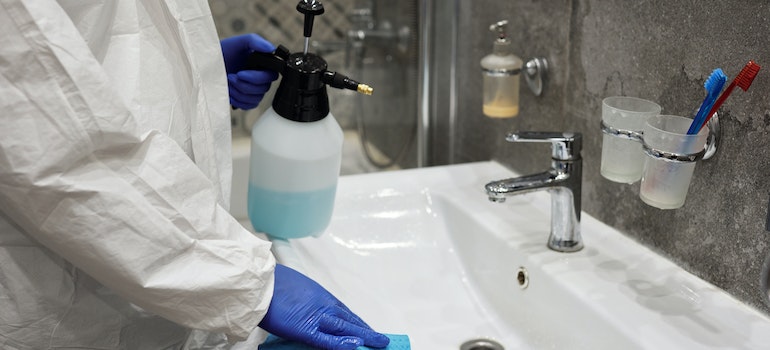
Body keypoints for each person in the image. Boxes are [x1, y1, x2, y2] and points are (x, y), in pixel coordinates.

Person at [0, 1, 389, 349]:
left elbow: (82, 42)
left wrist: (193, 70)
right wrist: (251, 284)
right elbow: (55, 146)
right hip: (66, 301)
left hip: (164, 272)